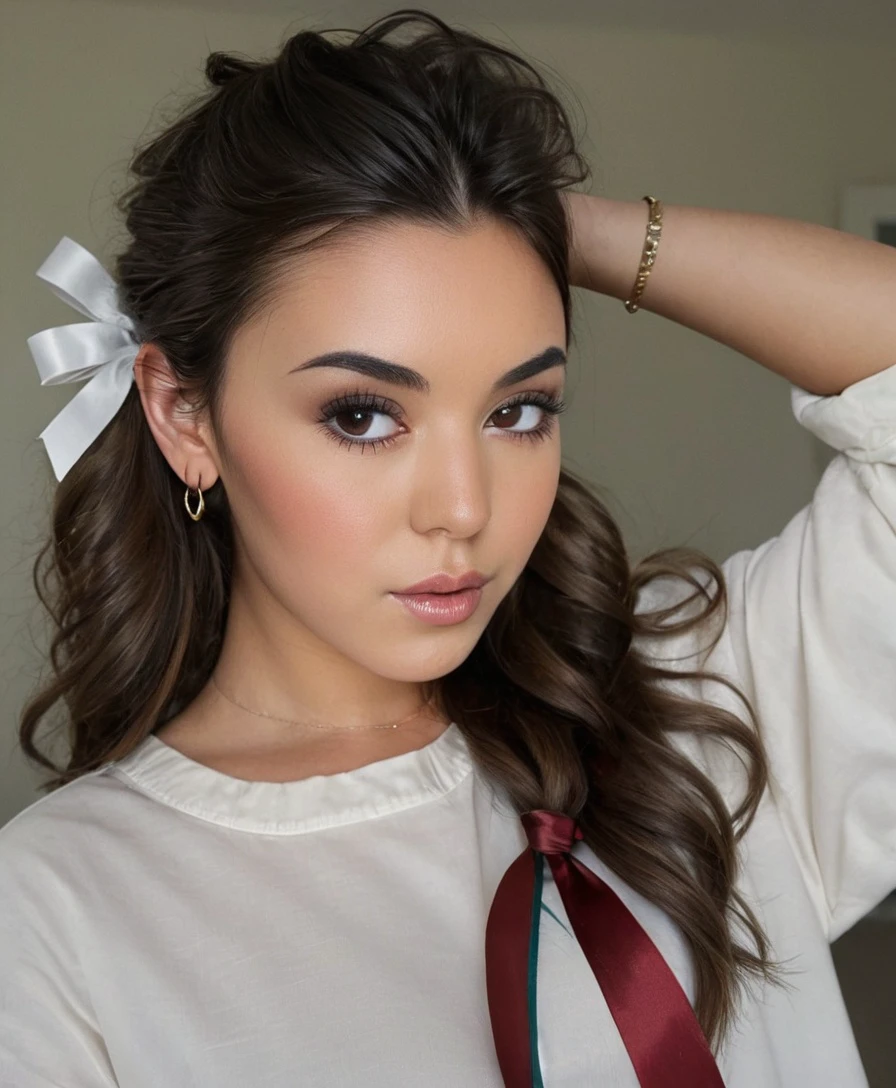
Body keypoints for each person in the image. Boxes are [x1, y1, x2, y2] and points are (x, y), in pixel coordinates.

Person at [2, 9, 895, 1087]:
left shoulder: (700, 713)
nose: (463, 507)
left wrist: (547, 226)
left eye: (517, 408)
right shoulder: (53, 909)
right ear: (185, 414)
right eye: (364, 414)